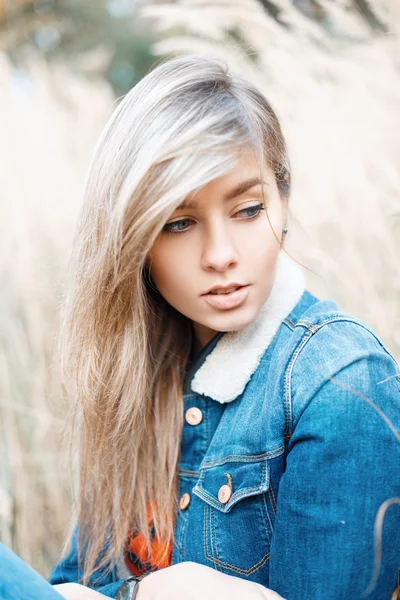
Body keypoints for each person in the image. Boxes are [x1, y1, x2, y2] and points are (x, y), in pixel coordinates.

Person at [4, 54, 400, 600]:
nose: (220, 255)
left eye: (248, 209)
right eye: (180, 223)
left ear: (283, 202)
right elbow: (78, 583)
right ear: (133, 239)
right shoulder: (135, 373)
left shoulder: (341, 384)